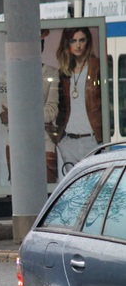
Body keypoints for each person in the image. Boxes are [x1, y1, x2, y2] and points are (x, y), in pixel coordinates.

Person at [0, 29, 60, 183]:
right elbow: (6, 106)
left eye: (37, 44)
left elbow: (52, 112)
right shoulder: (7, 75)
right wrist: (36, 113)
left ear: (42, 46)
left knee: (48, 190)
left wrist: (20, 112)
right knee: (19, 190)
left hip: (44, 139)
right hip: (16, 140)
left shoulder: (52, 73)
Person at [55, 27, 102, 176]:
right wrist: (60, 141)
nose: (78, 45)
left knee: (96, 189)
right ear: (67, 43)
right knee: (75, 192)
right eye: (73, 41)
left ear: (88, 41)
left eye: (82, 40)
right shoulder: (64, 72)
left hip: (93, 140)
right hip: (69, 141)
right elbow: (61, 108)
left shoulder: (97, 67)